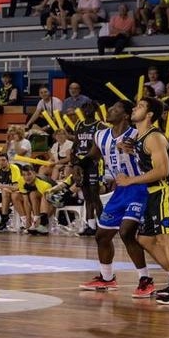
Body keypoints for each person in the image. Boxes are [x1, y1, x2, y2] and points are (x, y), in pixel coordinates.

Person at [117, 97, 169, 305]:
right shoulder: (142, 138)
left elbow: (162, 170)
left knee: (166, 239)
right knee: (144, 239)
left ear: (150, 114)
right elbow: (148, 159)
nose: (135, 108)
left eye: (141, 106)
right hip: (153, 194)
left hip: (164, 192)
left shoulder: (154, 137)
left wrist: (130, 181)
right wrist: (132, 151)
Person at [77, 101, 155, 298]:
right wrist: (79, 166)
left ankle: (145, 279)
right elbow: (92, 156)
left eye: (115, 108)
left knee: (127, 232)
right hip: (120, 190)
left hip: (139, 187)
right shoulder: (100, 134)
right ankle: (107, 278)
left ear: (126, 115)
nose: (109, 109)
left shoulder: (138, 134)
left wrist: (135, 149)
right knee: (101, 236)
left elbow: (153, 157)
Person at [72, 101, 107, 236]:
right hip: (81, 163)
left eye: (90, 107)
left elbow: (100, 148)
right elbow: (75, 145)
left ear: (96, 110)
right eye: (85, 107)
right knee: (86, 196)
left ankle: (103, 226)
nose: (87, 110)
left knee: (94, 195)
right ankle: (90, 226)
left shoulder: (100, 126)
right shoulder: (79, 125)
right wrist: (74, 163)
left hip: (94, 163)